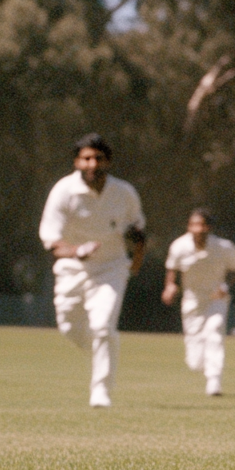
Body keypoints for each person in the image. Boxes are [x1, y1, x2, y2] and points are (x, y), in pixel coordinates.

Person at [38, 133, 146, 408]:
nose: (92, 164)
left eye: (98, 158)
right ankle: (105, 346)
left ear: (107, 161)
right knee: (69, 327)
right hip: (71, 268)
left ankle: (101, 391)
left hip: (110, 268)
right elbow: (51, 241)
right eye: (86, 158)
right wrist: (77, 251)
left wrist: (135, 262)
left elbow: (138, 233)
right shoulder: (64, 191)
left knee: (102, 326)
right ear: (76, 162)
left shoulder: (124, 193)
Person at [162, 208, 235, 396]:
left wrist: (225, 286)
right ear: (189, 227)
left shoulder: (224, 247)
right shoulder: (179, 246)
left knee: (214, 332)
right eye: (194, 225)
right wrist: (170, 286)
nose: (198, 229)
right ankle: (202, 366)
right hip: (192, 300)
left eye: (202, 225)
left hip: (217, 298)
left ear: (209, 228)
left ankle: (214, 381)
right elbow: (172, 268)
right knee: (194, 361)